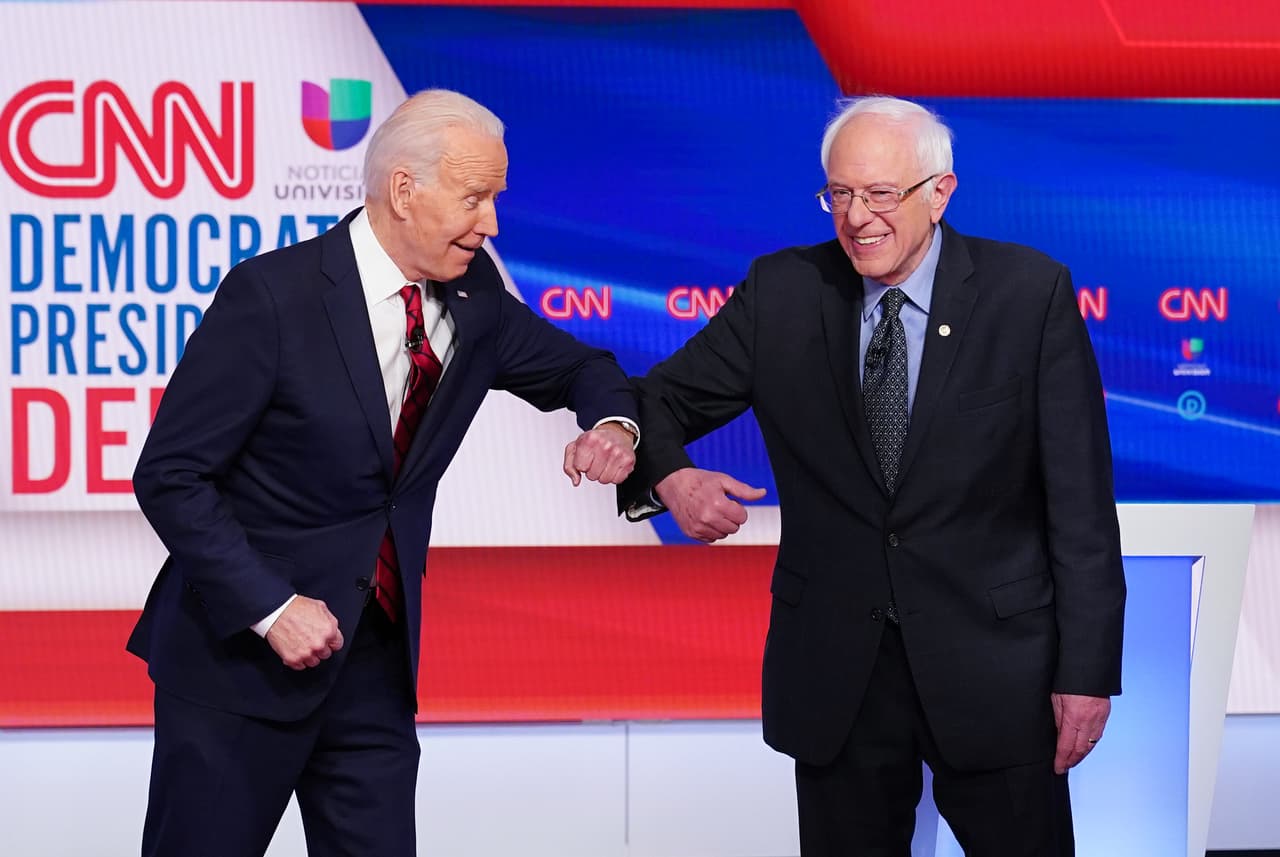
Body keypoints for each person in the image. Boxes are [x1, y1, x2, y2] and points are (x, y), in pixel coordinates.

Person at [128, 89, 639, 857]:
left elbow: (584, 368)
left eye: (494, 199)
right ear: (405, 190)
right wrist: (270, 607)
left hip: (373, 669)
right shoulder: (272, 296)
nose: (492, 222)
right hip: (239, 664)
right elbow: (170, 474)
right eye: (475, 198)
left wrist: (611, 423)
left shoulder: (477, 299)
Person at [621, 96, 1125, 855]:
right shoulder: (784, 292)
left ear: (940, 193)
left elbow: (1081, 505)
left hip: (995, 672)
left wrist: (1087, 672)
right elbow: (654, 401)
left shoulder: (1029, 294)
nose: (858, 217)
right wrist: (672, 477)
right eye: (840, 194)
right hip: (838, 677)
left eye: (881, 194)